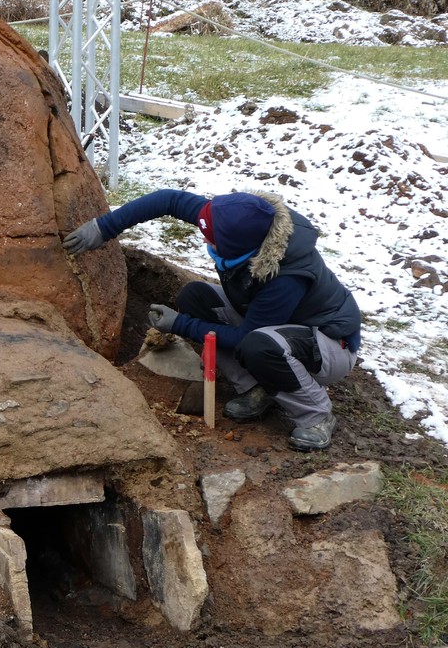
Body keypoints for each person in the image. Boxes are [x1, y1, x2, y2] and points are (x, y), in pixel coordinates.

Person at [63, 189, 361, 452]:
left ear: (238, 247)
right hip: (275, 324)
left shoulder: (286, 276)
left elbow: (245, 337)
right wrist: (103, 227)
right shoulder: (234, 219)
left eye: (211, 238)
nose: (204, 237)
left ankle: (316, 415)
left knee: (259, 346)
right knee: (196, 298)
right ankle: (256, 389)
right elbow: (168, 200)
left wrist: (179, 325)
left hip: (328, 345)